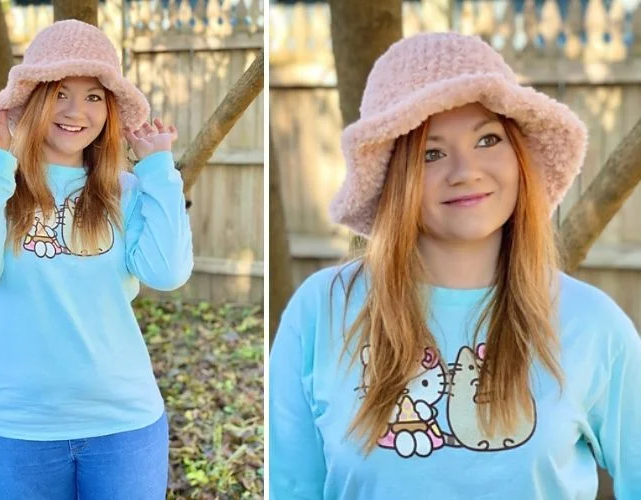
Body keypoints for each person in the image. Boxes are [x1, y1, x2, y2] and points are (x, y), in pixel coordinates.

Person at [269, 32, 641, 499]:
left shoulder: (594, 324)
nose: (465, 170)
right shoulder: (322, 311)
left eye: (488, 139)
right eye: (431, 152)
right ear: (393, 178)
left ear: (519, 155)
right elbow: (291, 485)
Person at [0, 19, 193, 499]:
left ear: (110, 109)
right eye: (60, 93)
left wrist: (159, 171)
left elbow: (168, 272)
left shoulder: (128, 189)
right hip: (14, 426)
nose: (77, 112)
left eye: (94, 96)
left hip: (124, 424)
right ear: (32, 97)